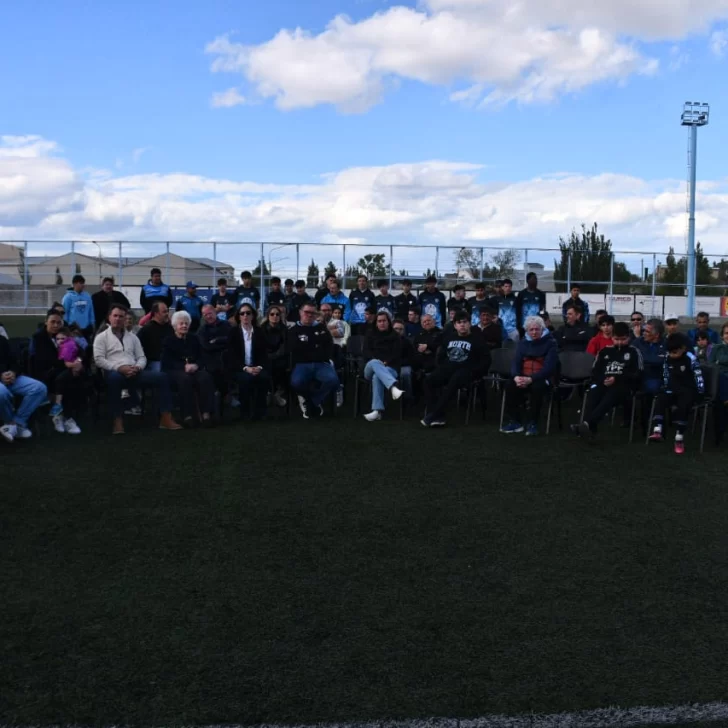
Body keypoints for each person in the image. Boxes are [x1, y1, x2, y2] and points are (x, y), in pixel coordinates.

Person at [93, 304, 181, 435]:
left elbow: (141, 357)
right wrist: (119, 368)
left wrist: (138, 367)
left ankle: (165, 417)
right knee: (114, 379)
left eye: (121, 316)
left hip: (135, 371)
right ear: (109, 317)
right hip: (114, 371)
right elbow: (99, 360)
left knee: (162, 377)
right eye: (115, 316)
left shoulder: (132, 337)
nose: (118, 319)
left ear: (125, 319)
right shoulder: (101, 337)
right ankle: (117, 420)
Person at [572, 322, 643, 441]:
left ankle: (588, 424)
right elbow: (595, 371)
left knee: (612, 393)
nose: (619, 342)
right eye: (616, 339)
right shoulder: (605, 351)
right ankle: (589, 428)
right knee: (593, 393)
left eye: (623, 339)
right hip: (604, 383)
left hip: (625, 386)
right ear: (612, 337)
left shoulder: (634, 352)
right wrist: (603, 379)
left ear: (629, 337)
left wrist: (617, 378)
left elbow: (638, 373)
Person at [421, 310, 488, 427]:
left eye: (465, 322)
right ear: (455, 325)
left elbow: (486, 361)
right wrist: (442, 367)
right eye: (459, 322)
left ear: (470, 324)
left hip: (467, 372)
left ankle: (434, 414)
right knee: (429, 380)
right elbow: (441, 355)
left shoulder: (478, 340)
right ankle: (438, 416)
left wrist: (474, 372)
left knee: (455, 379)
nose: (462, 325)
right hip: (449, 369)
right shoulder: (449, 338)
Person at [30, 310, 86, 435]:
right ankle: (67, 417)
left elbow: (80, 351)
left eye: (59, 322)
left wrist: (78, 361)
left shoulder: (65, 334)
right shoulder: (38, 337)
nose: (56, 325)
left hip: (65, 369)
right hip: (46, 371)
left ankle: (61, 416)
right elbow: (45, 360)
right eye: (53, 322)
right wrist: (70, 365)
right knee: (66, 378)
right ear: (46, 322)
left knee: (71, 377)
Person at [500, 315, 558, 436]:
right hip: (524, 376)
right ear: (527, 331)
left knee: (537, 387)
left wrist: (531, 379)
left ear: (542, 329)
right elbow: (516, 362)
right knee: (510, 385)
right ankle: (515, 421)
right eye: (531, 330)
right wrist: (516, 377)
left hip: (542, 378)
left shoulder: (551, 343)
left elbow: (549, 368)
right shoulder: (523, 343)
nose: (534, 332)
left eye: (537, 329)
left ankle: (533, 422)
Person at [648, 333, 705, 454]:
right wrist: (665, 385)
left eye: (675, 352)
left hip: (688, 389)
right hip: (672, 388)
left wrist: (700, 392)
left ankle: (679, 437)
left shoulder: (691, 358)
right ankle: (657, 429)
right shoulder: (667, 357)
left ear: (683, 348)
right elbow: (666, 374)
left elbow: (698, 375)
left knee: (684, 405)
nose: (672, 355)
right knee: (660, 398)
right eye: (670, 352)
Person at [161, 311, 215, 427]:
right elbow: (167, 362)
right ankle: (187, 415)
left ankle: (206, 414)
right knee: (185, 379)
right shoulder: (168, 340)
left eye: (186, 323)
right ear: (175, 326)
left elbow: (202, 357)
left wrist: (196, 365)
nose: (184, 326)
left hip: (194, 369)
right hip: (175, 371)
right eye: (181, 323)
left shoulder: (194, 338)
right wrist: (183, 366)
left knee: (205, 377)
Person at [287, 302, 339, 419]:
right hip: (301, 364)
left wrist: (308, 346)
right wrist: (315, 346)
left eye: (312, 313)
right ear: (300, 313)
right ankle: (310, 400)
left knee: (333, 380)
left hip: (321, 363)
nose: (309, 315)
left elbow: (328, 346)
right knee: (296, 382)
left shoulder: (322, 328)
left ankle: (312, 401)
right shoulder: (293, 330)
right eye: (307, 312)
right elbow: (294, 349)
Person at [227, 303, 272, 420]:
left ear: (253, 315)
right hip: (240, 368)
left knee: (263, 377)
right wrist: (246, 368)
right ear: (239, 316)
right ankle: (245, 412)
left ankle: (260, 412)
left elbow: (264, 354)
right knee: (245, 379)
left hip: (257, 367)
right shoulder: (233, 333)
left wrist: (259, 367)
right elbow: (232, 357)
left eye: (248, 313)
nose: (245, 316)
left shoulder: (260, 332)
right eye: (242, 313)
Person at [0, 335, 48, 443]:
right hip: (2, 379)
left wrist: (13, 372)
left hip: (9, 378)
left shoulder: (1, 340)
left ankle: (16, 423)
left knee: (39, 388)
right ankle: (10, 424)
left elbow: (14, 362)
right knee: (1, 393)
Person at [362, 312, 405, 421]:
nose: (382, 323)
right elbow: (366, 352)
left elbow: (397, 354)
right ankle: (393, 387)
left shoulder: (395, 336)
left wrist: (387, 362)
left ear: (389, 322)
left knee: (377, 377)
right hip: (370, 367)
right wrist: (379, 362)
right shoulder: (370, 334)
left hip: (390, 367)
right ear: (376, 323)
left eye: (384, 321)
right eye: (379, 321)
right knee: (374, 362)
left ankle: (377, 411)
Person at [197, 304, 232, 399]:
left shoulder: (226, 324)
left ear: (215, 312)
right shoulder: (202, 330)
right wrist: (223, 342)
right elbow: (207, 347)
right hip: (210, 359)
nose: (208, 316)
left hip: (227, 357)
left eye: (210, 313)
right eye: (205, 315)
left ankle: (227, 395)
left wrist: (217, 340)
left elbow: (231, 340)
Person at [260, 305, 288, 406]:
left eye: (277, 314)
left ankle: (277, 393)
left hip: (279, 357)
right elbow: (260, 346)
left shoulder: (284, 329)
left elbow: (285, 346)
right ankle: (268, 393)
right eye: (272, 314)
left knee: (281, 366)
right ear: (268, 316)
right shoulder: (261, 329)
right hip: (265, 356)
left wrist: (276, 355)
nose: (275, 316)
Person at [137, 302, 173, 372]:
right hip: (153, 362)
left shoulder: (170, 328)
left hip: (169, 360)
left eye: (167, 311)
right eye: (164, 312)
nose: (167, 314)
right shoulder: (146, 329)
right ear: (156, 313)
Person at [61, 274, 95, 338]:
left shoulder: (87, 296)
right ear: (74, 284)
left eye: (83, 283)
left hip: (86, 328)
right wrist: (66, 326)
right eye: (81, 283)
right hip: (73, 329)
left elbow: (91, 311)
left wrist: (92, 323)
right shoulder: (68, 297)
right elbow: (65, 313)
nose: (83, 285)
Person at [516, 273, 546, 337]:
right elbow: (518, 310)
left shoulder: (541, 294)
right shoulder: (521, 294)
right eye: (534, 279)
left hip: (536, 326)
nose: (536, 281)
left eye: (536, 279)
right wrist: (518, 325)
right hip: (524, 326)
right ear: (528, 281)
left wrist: (542, 317)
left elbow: (542, 309)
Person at [708, 322, 728, 403]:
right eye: (727, 333)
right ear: (722, 336)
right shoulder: (717, 347)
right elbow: (721, 359)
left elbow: (721, 360)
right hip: (720, 377)